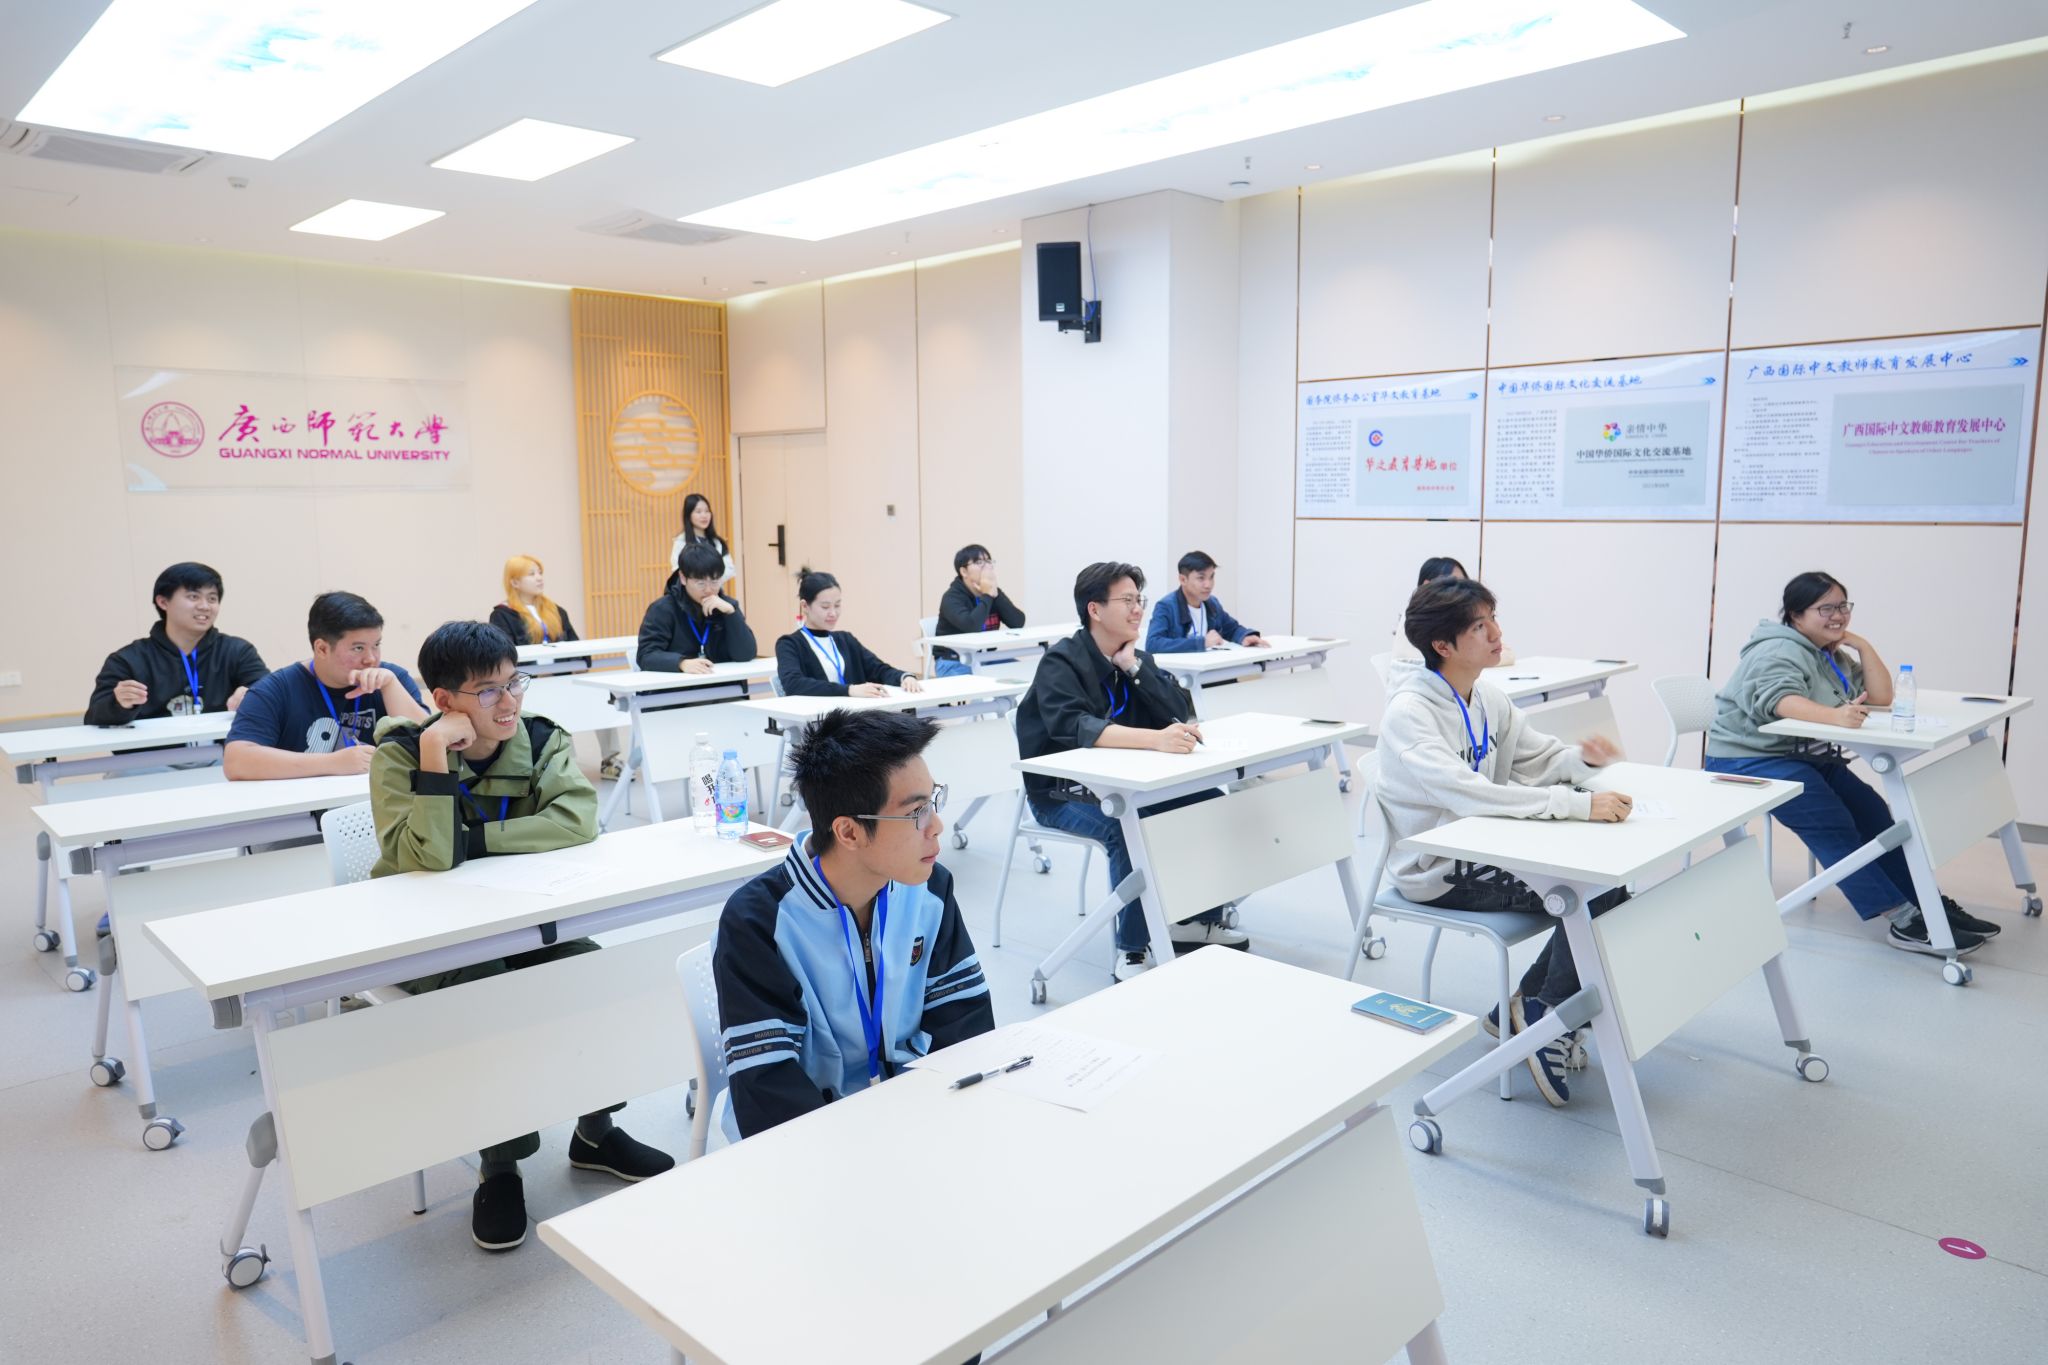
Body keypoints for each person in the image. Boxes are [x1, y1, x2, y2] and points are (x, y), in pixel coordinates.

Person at [369, 620, 671, 1251]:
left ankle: (594, 1132)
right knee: (488, 993)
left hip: (522, 922)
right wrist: (434, 754)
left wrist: (473, 841)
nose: (509, 701)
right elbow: (427, 857)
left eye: (515, 682)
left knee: (592, 974)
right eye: (488, 691)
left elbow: (576, 820)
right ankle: (500, 1165)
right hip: (431, 940)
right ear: (443, 700)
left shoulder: (538, 738)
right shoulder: (400, 754)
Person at [1374, 576, 1626, 1107]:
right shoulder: (1409, 713)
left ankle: (1529, 1007)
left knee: (1606, 885)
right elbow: (1472, 795)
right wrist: (1576, 804)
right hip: (1441, 870)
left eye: (1494, 620)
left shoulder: (1487, 697)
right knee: (1593, 891)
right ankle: (1544, 1015)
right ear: (1442, 645)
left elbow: (1539, 759)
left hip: (1487, 850)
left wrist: (1581, 761)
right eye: (1479, 627)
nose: (1496, 635)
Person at [714, 708, 994, 1138]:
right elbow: (768, 1089)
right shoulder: (758, 922)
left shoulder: (930, 890)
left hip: (914, 1116)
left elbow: (965, 1027)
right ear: (848, 832)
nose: (937, 826)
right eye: (917, 812)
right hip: (809, 1141)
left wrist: (940, 1120)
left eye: (934, 801)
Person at [1704, 571, 1995, 954]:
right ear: (1796, 614)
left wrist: (1863, 645)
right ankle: (1903, 919)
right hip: (1747, 760)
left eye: (1843, 606)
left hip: (1801, 755)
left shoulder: (1827, 652)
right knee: (1831, 820)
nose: (1838, 615)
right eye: (1825, 608)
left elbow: (1881, 696)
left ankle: (1928, 905)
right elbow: (1779, 700)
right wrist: (1834, 717)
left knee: (1874, 814)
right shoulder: (1777, 650)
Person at [1015, 561, 1246, 981]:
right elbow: (1074, 726)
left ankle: (1194, 920)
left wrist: (1135, 670)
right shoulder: (1061, 662)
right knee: (1128, 825)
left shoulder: (1135, 657)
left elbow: (1177, 711)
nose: (1138, 609)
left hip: (1129, 783)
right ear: (1095, 609)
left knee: (1209, 803)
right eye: (1127, 600)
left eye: (1139, 599)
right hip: (1062, 792)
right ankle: (1132, 949)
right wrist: (1155, 740)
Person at [224, 592, 426, 778]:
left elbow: (432, 745)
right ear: (321, 648)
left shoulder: (392, 679)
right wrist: (333, 763)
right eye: (358, 648)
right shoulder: (276, 689)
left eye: (376, 645)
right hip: (306, 803)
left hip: (380, 803)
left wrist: (390, 687)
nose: (371, 659)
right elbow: (236, 761)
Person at [85, 562, 269, 725]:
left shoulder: (237, 651)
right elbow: (94, 717)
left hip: (224, 751)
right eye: (193, 597)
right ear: (163, 602)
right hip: (154, 753)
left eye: (212, 598)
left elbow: (269, 693)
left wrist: (252, 694)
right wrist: (118, 704)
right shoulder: (128, 660)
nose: (205, 606)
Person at [775, 570, 924, 698]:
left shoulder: (845, 639)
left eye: (837, 605)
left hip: (856, 714)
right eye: (825, 607)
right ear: (805, 606)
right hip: (821, 717)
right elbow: (793, 684)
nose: (833, 613)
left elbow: (878, 669)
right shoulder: (789, 644)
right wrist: (849, 690)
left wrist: (904, 677)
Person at [638, 542, 757, 673]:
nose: (709, 590)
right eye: (701, 583)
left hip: (724, 682)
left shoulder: (727, 606)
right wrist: (681, 663)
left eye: (715, 581)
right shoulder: (662, 609)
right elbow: (646, 655)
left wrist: (731, 615)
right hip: (681, 684)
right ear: (683, 578)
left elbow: (746, 655)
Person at [1390, 557, 1515, 665]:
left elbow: (1505, 653)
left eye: (1463, 583)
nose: (1459, 591)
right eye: (1450, 585)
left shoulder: (1467, 615)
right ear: (1426, 585)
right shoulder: (1419, 622)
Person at [932, 543, 1025, 677]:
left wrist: (995, 594)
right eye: (979, 562)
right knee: (978, 685)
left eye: (988, 561)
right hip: (954, 661)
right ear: (964, 572)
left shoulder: (992, 592)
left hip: (987, 659)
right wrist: (987, 596)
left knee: (1025, 674)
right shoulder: (952, 597)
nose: (986, 567)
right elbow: (972, 627)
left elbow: (1018, 622)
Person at [1145, 550, 1264, 654]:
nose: (1208, 585)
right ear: (1183, 579)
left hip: (1207, 669)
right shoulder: (1166, 606)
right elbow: (1153, 644)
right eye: (1201, 578)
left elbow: (1232, 629)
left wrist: (1244, 637)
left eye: (1211, 577)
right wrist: (1201, 643)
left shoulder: (1212, 603)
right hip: (1178, 672)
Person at [488, 555, 579, 647]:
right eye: (531, 574)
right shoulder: (502, 615)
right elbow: (505, 651)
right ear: (515, 582)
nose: (539, 578)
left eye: (540, 573)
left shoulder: (555, 610)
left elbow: (575, 645)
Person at [666, 493, 735, 593]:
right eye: (698, 512)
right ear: (688, 515)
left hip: (715, 593)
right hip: (691, 595)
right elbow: (678, 570)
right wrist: (705, 579)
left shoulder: (718, 542)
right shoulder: (681, 542)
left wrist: (711, 581)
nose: (704, 515)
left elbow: (730, 569)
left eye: (707, 511)